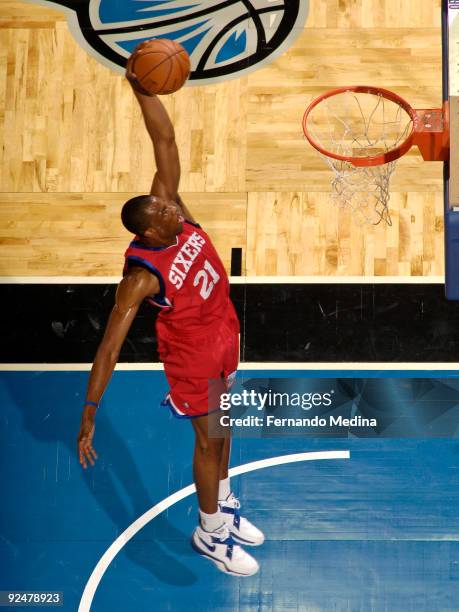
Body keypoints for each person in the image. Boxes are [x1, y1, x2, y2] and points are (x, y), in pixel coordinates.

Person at [77, 42, 264, 577]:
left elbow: (164, 139)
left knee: (224, 428)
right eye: (160, 208)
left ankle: (222, 506)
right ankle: (210, 536)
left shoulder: (175, 215)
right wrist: (91, 410)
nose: (169, 202)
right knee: (208, 438)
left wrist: (140, 87)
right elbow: (109, 346)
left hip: (223, 330)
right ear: (148, 231)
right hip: (192, 355)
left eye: (164, 200)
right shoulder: (140, 278)